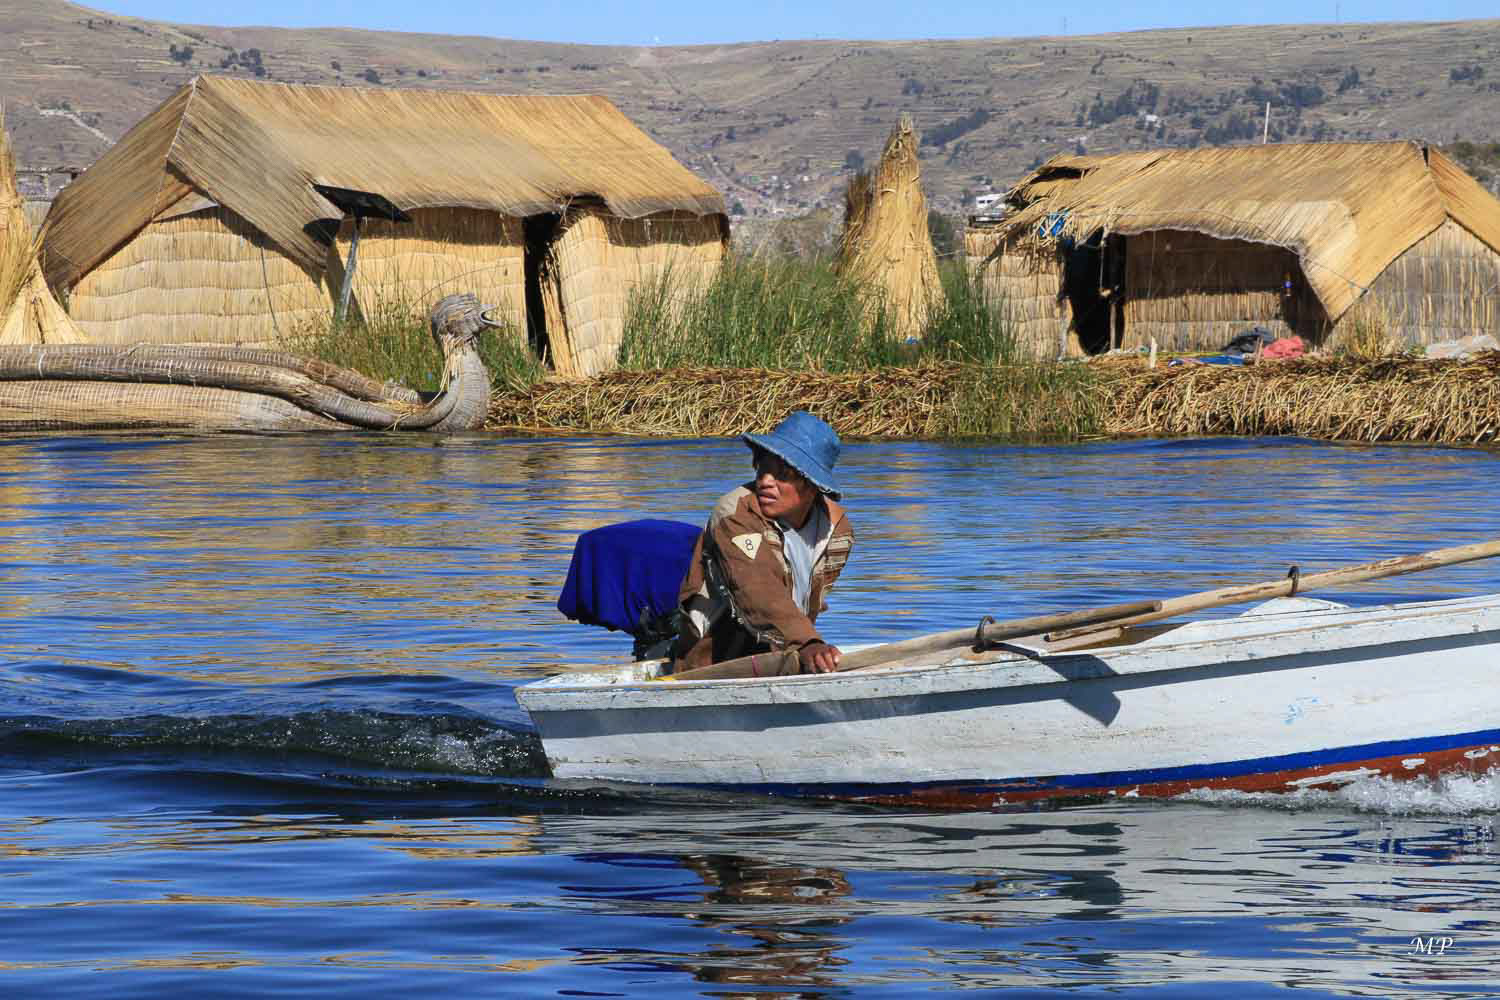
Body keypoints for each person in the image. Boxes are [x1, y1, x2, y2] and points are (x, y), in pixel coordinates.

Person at [673, 411, 854, 674]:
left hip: (785, 656)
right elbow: (757, 590)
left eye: (783, 474)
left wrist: (808, 650)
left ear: (812, 485)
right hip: (715, 663)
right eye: (763, 468)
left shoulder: (836, 531)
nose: (766, 481)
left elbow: (810, 602)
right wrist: (808, 642)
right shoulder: (735, 513)